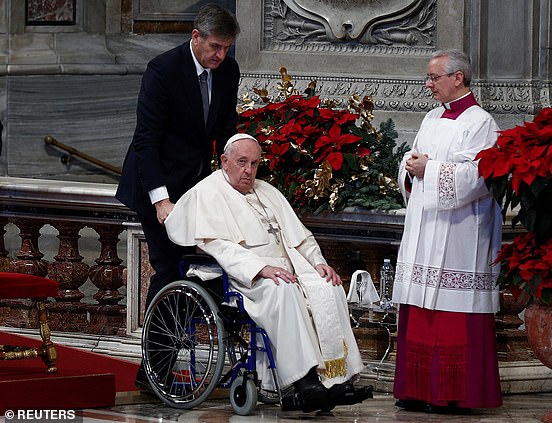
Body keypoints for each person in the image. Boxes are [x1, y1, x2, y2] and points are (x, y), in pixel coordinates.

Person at [165, 134, 372, 412]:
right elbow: (218, 246)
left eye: (254, 163)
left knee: (328, 286)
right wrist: (260, 268)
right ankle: (305, 383)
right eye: (241, 162)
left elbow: (300, 238)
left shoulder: (267, 191)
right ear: (224, 162)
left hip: (290, 268)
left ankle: (338, 379)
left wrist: (319, 262)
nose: (249, 170)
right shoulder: (208, 193)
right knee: (283, 290)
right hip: (244, 278)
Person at [115, 3, 241, 390]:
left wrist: (235, 174)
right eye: (215, 47)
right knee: (168, 269)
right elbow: (146, 141)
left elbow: (225, 128)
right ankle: (153, 370)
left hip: (196, 187)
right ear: (196, 37)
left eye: (227, 47)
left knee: (200, 272)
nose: (221, 55)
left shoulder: (229, 72)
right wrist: (161, 201)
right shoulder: (162, 71)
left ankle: (166, 359)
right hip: (156, 186)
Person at [391, 49, 503, 413]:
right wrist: (410, 168)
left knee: (453, 314)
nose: (428, 84)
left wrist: (431, 169)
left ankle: (454, 393)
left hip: (460, 232)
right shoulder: (431, 117)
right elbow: (415, 162)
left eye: (434, 77)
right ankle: (417, 390)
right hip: (426, 227)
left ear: (458, 78)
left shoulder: (481, 122)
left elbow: (480, 175)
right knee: (422, 307)